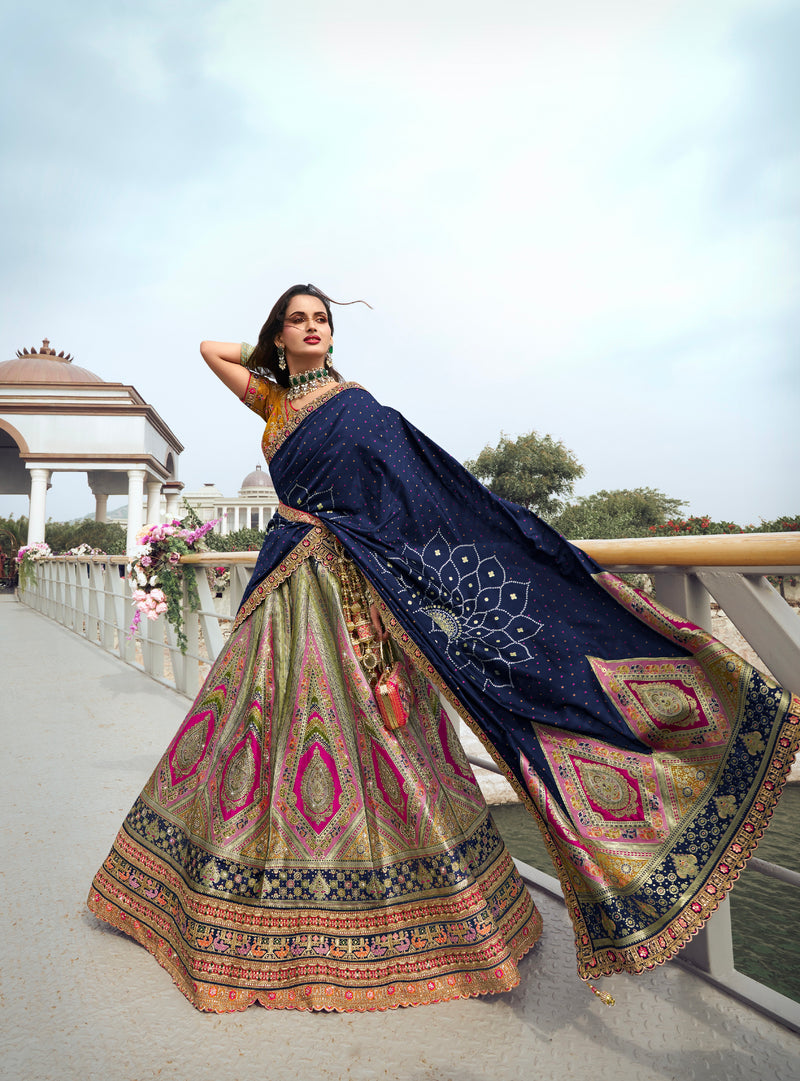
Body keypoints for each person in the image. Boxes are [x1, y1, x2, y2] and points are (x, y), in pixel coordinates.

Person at [88, 284, 799, 1014]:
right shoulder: (273, 403)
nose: (312, 328)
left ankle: (422, 912)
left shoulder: (359, 408)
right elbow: (209, 349)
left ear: (333, 334)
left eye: (321, 319)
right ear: (279, 334)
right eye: (297, 320)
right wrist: (266, 354)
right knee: (258, 724)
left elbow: (426, 497)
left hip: (354, 591)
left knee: (376, 735)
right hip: (285, 592)